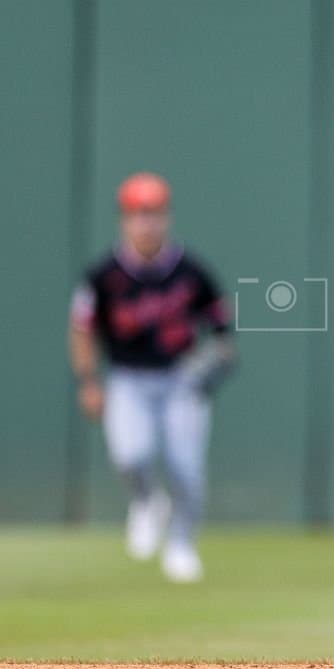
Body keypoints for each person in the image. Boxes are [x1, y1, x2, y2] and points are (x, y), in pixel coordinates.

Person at [68, 171, 234, 583]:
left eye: (154, 213)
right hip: (127, 379)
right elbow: (82, 329)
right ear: (124, 220)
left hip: (180, 379)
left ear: (167, 217)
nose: (147, 223)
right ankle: (146, 502)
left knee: (186, 468)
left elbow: (221, 330)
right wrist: (89, 381)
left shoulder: (190, 270)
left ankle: (181, 545)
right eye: (138, 214)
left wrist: (212, 363)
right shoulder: (104, 275)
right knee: (131, 455)